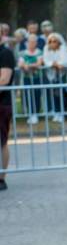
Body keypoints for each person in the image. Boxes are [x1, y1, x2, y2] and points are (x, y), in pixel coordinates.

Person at [0, 26, 16, 191]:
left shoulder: (5, 53)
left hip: (2, 104)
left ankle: (1, 178)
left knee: (2, 142)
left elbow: (4, 80)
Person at [18, 33, 44, 125]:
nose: (32, 43)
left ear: (36, 43)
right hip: (27, 78)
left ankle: (35, 113)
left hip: (37, 78)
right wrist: (27, 65)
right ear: (27, 42)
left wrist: (28, 65)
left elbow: (39, 63)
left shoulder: (39, 52)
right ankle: (30, 113)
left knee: (37, 95)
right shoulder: (23, 53)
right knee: (27, 95)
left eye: (34, 42)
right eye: (30, 41)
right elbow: (20, 64)